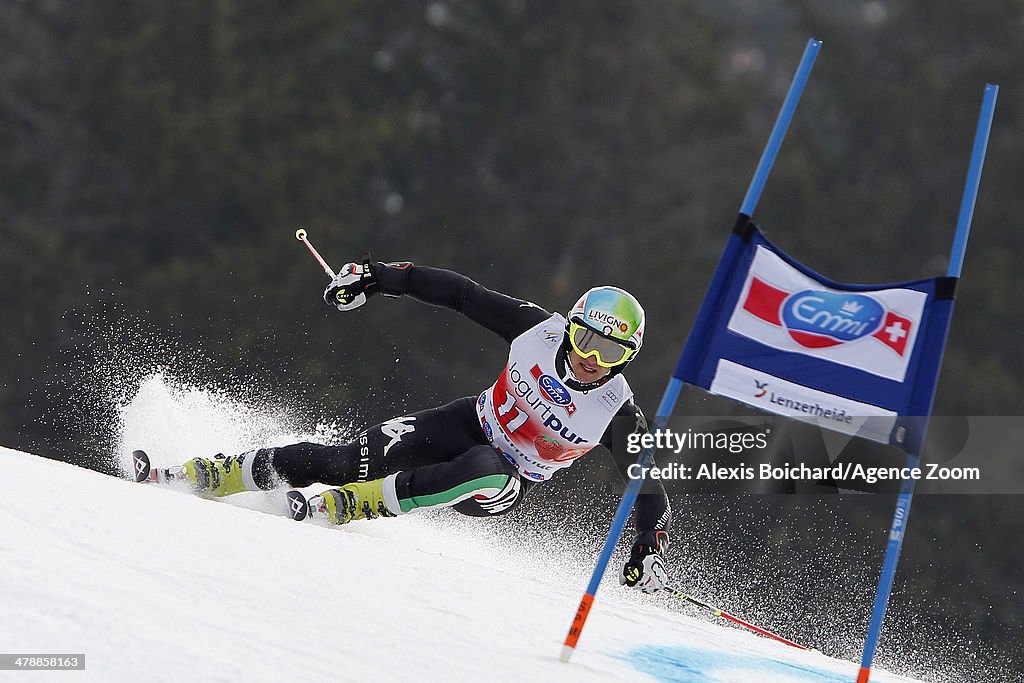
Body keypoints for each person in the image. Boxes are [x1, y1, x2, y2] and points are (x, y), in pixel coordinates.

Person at [176, 259, 672, 594]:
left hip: (503, 482)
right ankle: (229, 472)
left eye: (611, 352)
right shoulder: (534, 329)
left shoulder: (617, 411)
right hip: (465, 422)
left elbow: (648, 483)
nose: (592, 359)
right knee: (344, 461)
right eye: (587, 340)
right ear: (571, 328)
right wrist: (375, 277)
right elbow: (460, 294)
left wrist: (647, 545)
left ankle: (366, 504)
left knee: (485, 466)